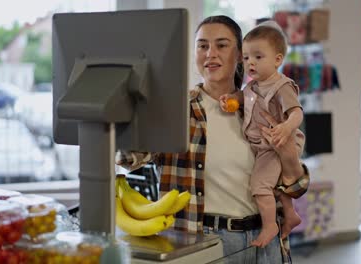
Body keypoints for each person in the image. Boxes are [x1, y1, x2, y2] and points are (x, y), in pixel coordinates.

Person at [115, 15, 310, 263]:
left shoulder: (264, 108)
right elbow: (129, 158)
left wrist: (288, 155)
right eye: (203, 45)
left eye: (221, 45)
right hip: (204, 241)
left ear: (241, 54)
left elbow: (298, 187)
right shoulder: (175, 110)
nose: (211, 54)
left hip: (267, 240)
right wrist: (126, 109)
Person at [219, 21, 306, 248]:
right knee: (275, 183)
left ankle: (270, 225)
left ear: (277, 60)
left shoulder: (281, 86)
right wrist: (231, 101)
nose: (250, 63)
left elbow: (297, 113)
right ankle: (290, 214)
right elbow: (243, 98)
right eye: (246, 58)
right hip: (264, 145)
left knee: (260, 185)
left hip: (276, 143)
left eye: (258, 57)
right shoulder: (253, 86)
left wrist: (286, 128)